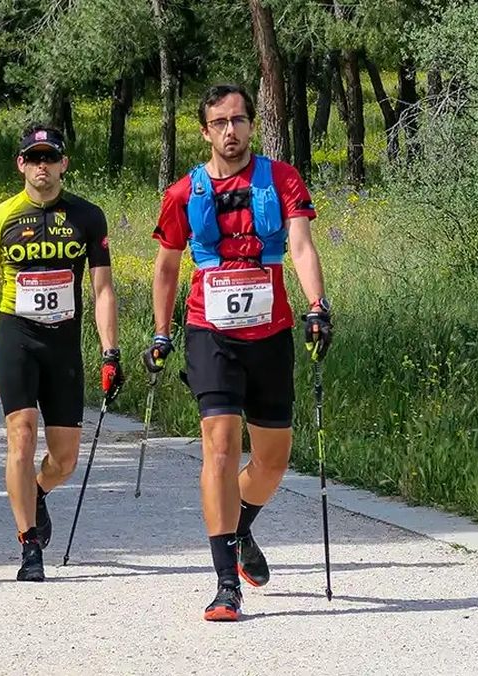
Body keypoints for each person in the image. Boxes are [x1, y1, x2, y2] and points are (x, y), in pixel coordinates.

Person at [144, 85, 333, 620]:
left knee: (272, 461)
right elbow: (166, 267)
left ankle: (241, 525)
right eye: (221, 122)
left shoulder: (282, 179)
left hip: (270, 333)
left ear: (252, 125)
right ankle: (226, 583)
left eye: (240, 120)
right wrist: (163, 332)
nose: (232, 130)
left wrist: (317, 304)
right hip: (212, 333)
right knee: (221, 448)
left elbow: (300, 245)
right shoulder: (185, 192)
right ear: (205, 131)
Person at [0, 125, 123, 582]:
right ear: (20, 164)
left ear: (63, 164)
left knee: (65, 460)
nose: (42, 166)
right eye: (33, 158)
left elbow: (102, 290)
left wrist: (110, 352)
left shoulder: (88, 216)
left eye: (50, 158)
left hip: (64, 343)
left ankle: (35, 492)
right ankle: (29, 544)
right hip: (17, 335)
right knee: (21, 435)